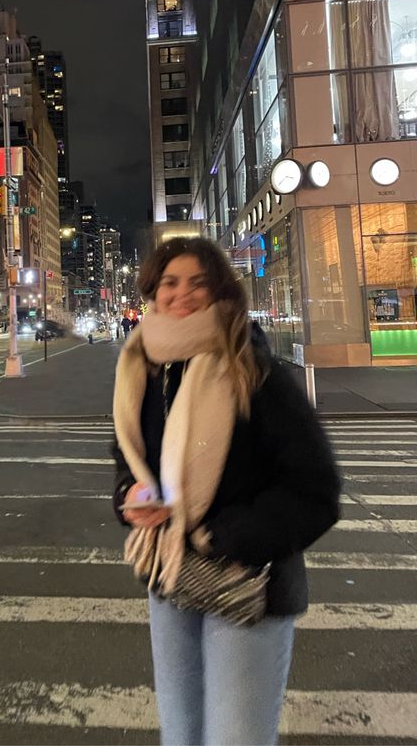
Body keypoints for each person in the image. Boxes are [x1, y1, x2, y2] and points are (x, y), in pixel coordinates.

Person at [111, 237, 340, 746]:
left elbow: (316, 489)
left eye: (198, 282)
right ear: (153, 291)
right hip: (171, 575)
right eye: (170, 282)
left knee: (235, 736)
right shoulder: (145, 368)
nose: (182, 294)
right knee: (182, 732)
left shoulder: (253, 369)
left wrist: (227, 536)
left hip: (248, 582)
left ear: (221, 291)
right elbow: (129, 459)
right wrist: (132, 497)